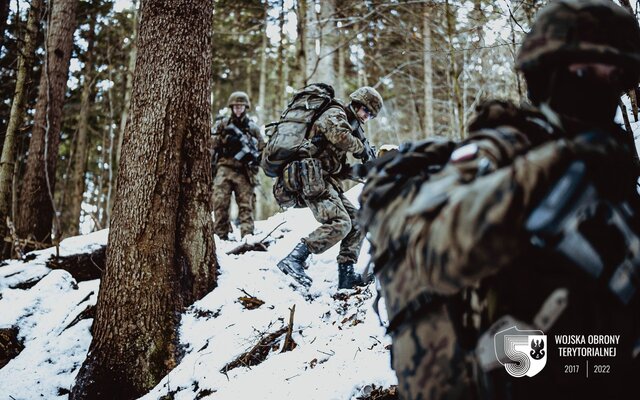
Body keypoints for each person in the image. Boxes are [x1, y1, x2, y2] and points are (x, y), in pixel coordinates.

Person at [359, 1, 640, 399]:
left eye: (615, 77)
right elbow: (432, 251)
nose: (601, 89)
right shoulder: (505, 146)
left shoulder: (608, 157)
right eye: (583, 72)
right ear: (547, 74)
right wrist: (551, 168)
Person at [276, 86, 384, 289]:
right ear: (358, 105)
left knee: (357, 222)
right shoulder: (335, 113)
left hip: (325, 179)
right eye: (367, 112)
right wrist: (362, 149)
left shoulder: (348, 124)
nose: (366, 118)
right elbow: (340, 137)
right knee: (341, 223)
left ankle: (346, 276)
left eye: (370, 116)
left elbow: (337, 167)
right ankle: (294, 259)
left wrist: (362, 170)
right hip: (310, 177)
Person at [210, 91, 264, 240]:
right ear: (231, 107)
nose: (238, 109)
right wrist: (225, 140)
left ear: (246, 107)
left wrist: (253, 158)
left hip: (244, 171)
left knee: (246, 206)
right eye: (236, 106)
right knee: (220, 204)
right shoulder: (223, 124)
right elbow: (211, 145)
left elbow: (261, 149)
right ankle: (220, 237)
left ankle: (248, 237)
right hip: (224, 168)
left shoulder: (252, 128)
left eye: (241, 106)